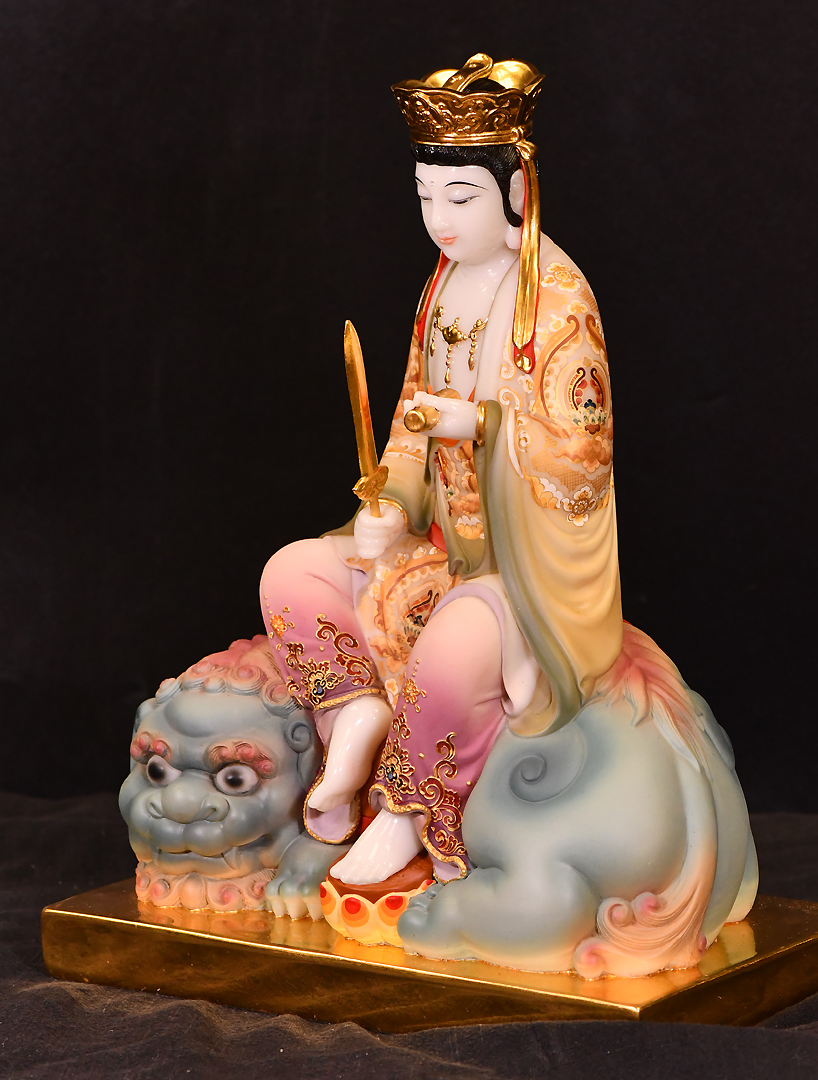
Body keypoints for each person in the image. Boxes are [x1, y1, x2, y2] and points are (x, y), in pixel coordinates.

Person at [259, 54, 622, 889]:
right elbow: (409, 419)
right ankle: (354, 713)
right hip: (441, 543)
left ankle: (406, 811)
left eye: (460, 199)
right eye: (426, 197)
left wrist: (484, 425)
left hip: (526, 574)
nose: (440, 221)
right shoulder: (444, 286)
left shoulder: (556, 299)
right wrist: (390, 498)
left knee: (456, 643)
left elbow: (583, 457)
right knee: (294, 571)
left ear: (516, 192)